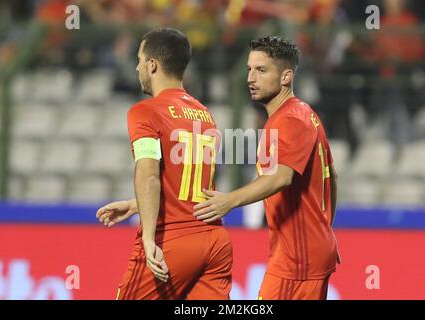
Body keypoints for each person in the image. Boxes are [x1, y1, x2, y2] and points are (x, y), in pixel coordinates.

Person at [193, 36, 340, 300]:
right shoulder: (305, 114)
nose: (251, 78)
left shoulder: (289, 120)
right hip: (307, 251)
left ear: (286, 77)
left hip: (297, 259)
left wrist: (229, 200)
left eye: (261, 70)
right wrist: (324, 230)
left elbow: (281, 177)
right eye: (249, 69)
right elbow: (332, 177)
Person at [96, 28, 232, 300]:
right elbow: (186, 184)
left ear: (152, 64)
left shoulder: (145, 112)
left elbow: (149, 175)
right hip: (215, 241)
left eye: (139, 59)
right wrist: (136, 204)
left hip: (172, 239)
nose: (136, 67)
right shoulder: (204, 114)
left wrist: (148, 238)